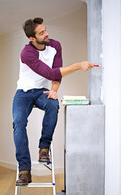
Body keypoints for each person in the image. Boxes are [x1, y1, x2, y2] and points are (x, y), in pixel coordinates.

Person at [12, 17, 94, 186]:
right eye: (41, 33)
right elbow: (50, 73)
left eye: (45, 29)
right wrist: (78, 65)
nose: (46, 34)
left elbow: (55, 76)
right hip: (24, 93)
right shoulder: (26, 53)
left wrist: (54, 91)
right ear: (32, 39)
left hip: (42, 92)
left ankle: (44, 148)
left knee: (53, 104)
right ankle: (25, 170)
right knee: (18, 123)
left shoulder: (55, 46)